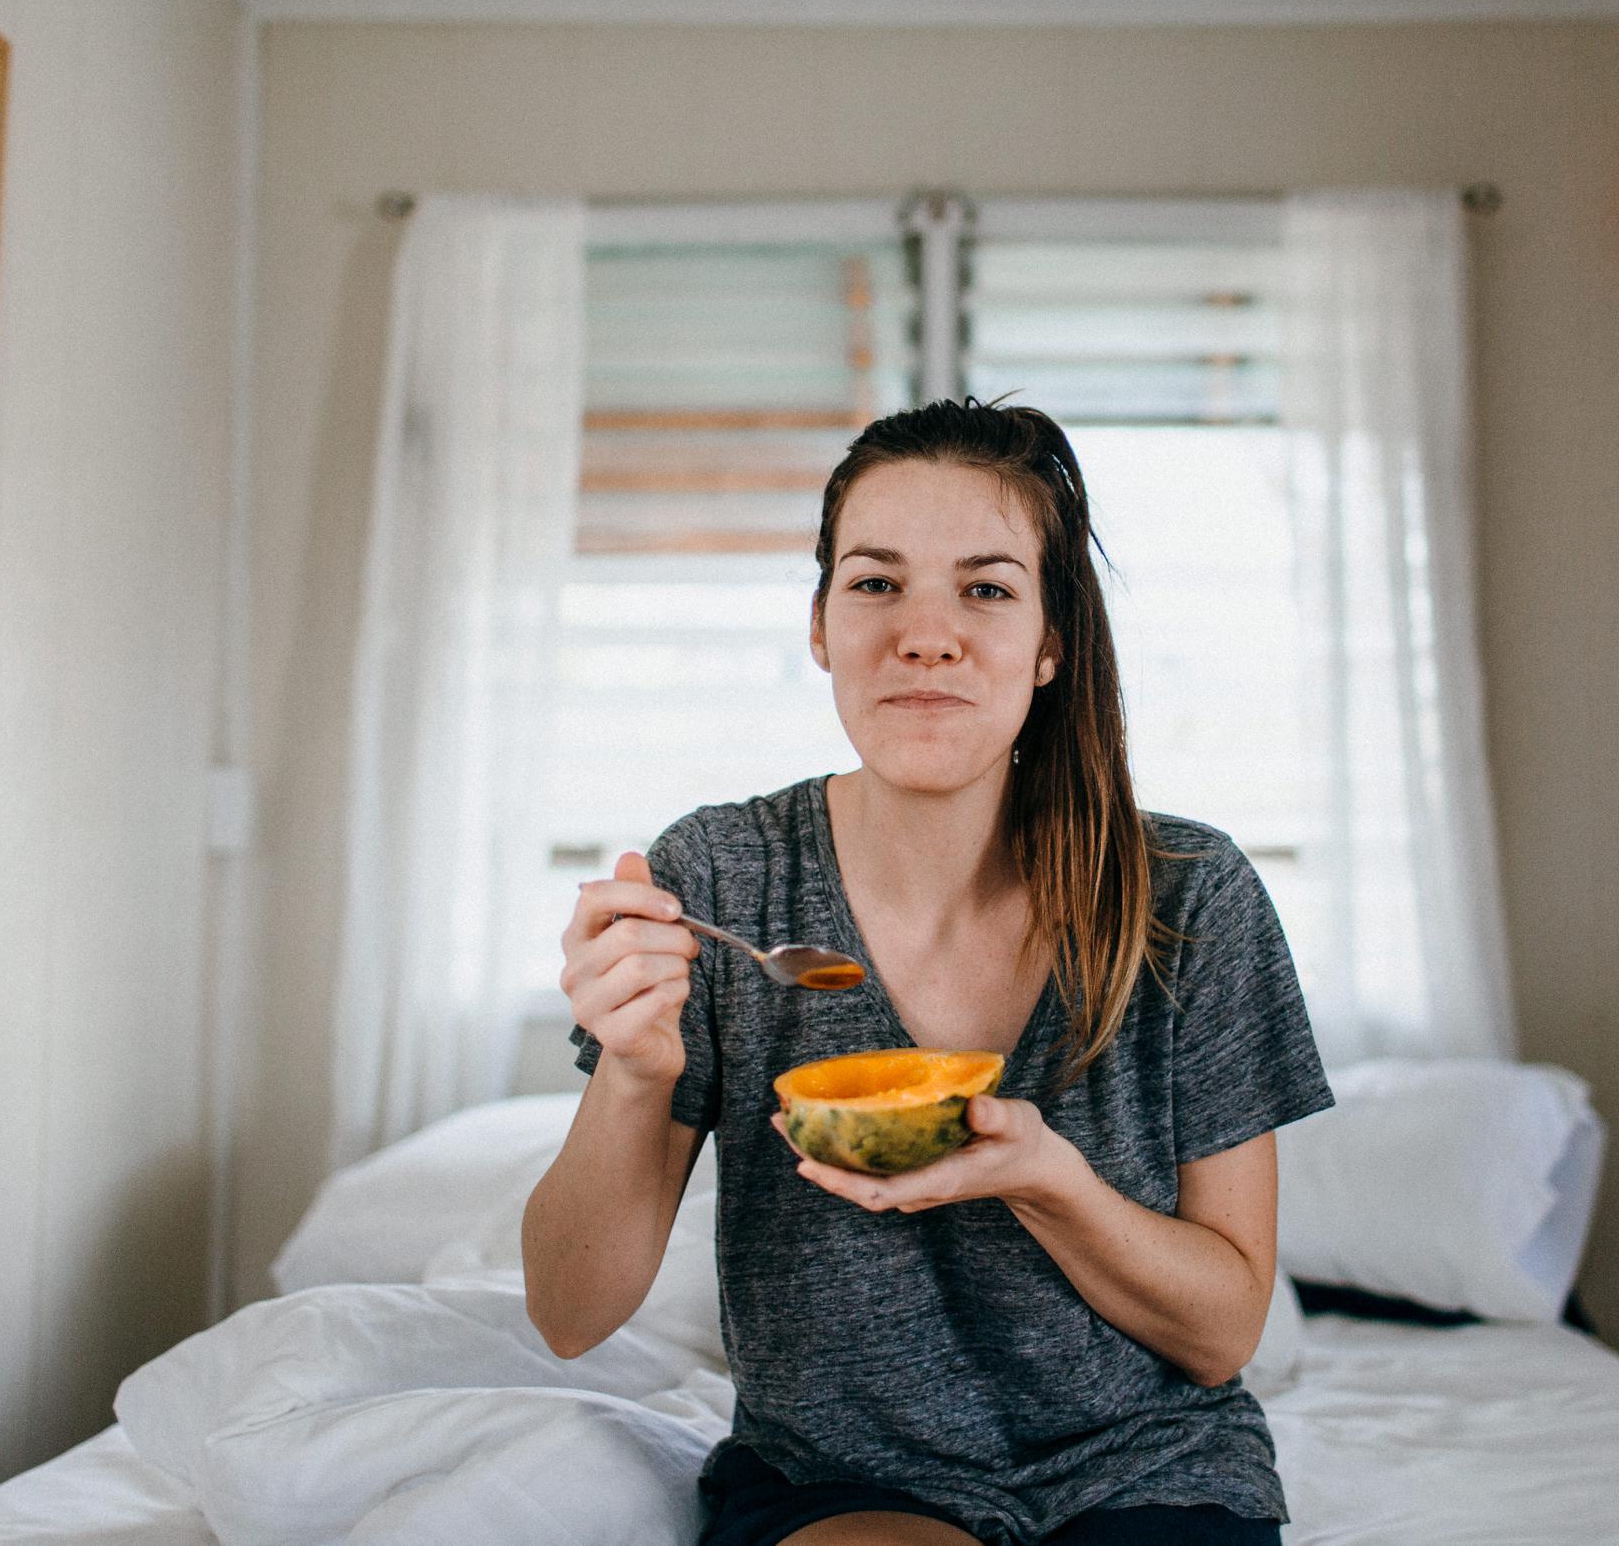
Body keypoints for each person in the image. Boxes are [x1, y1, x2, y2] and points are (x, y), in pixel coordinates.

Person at [522, 398, 1336, 1546]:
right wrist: (631, 1072)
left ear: (1052, 641)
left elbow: (1221, 1331)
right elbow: (567, 1313)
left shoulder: (1188, 894)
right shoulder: (718, 879)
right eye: (875, 582)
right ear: (818, 622)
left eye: (988, 587)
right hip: (841, 1475)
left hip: (1150, 1467)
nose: (926, 634)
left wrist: (1043, 1176)